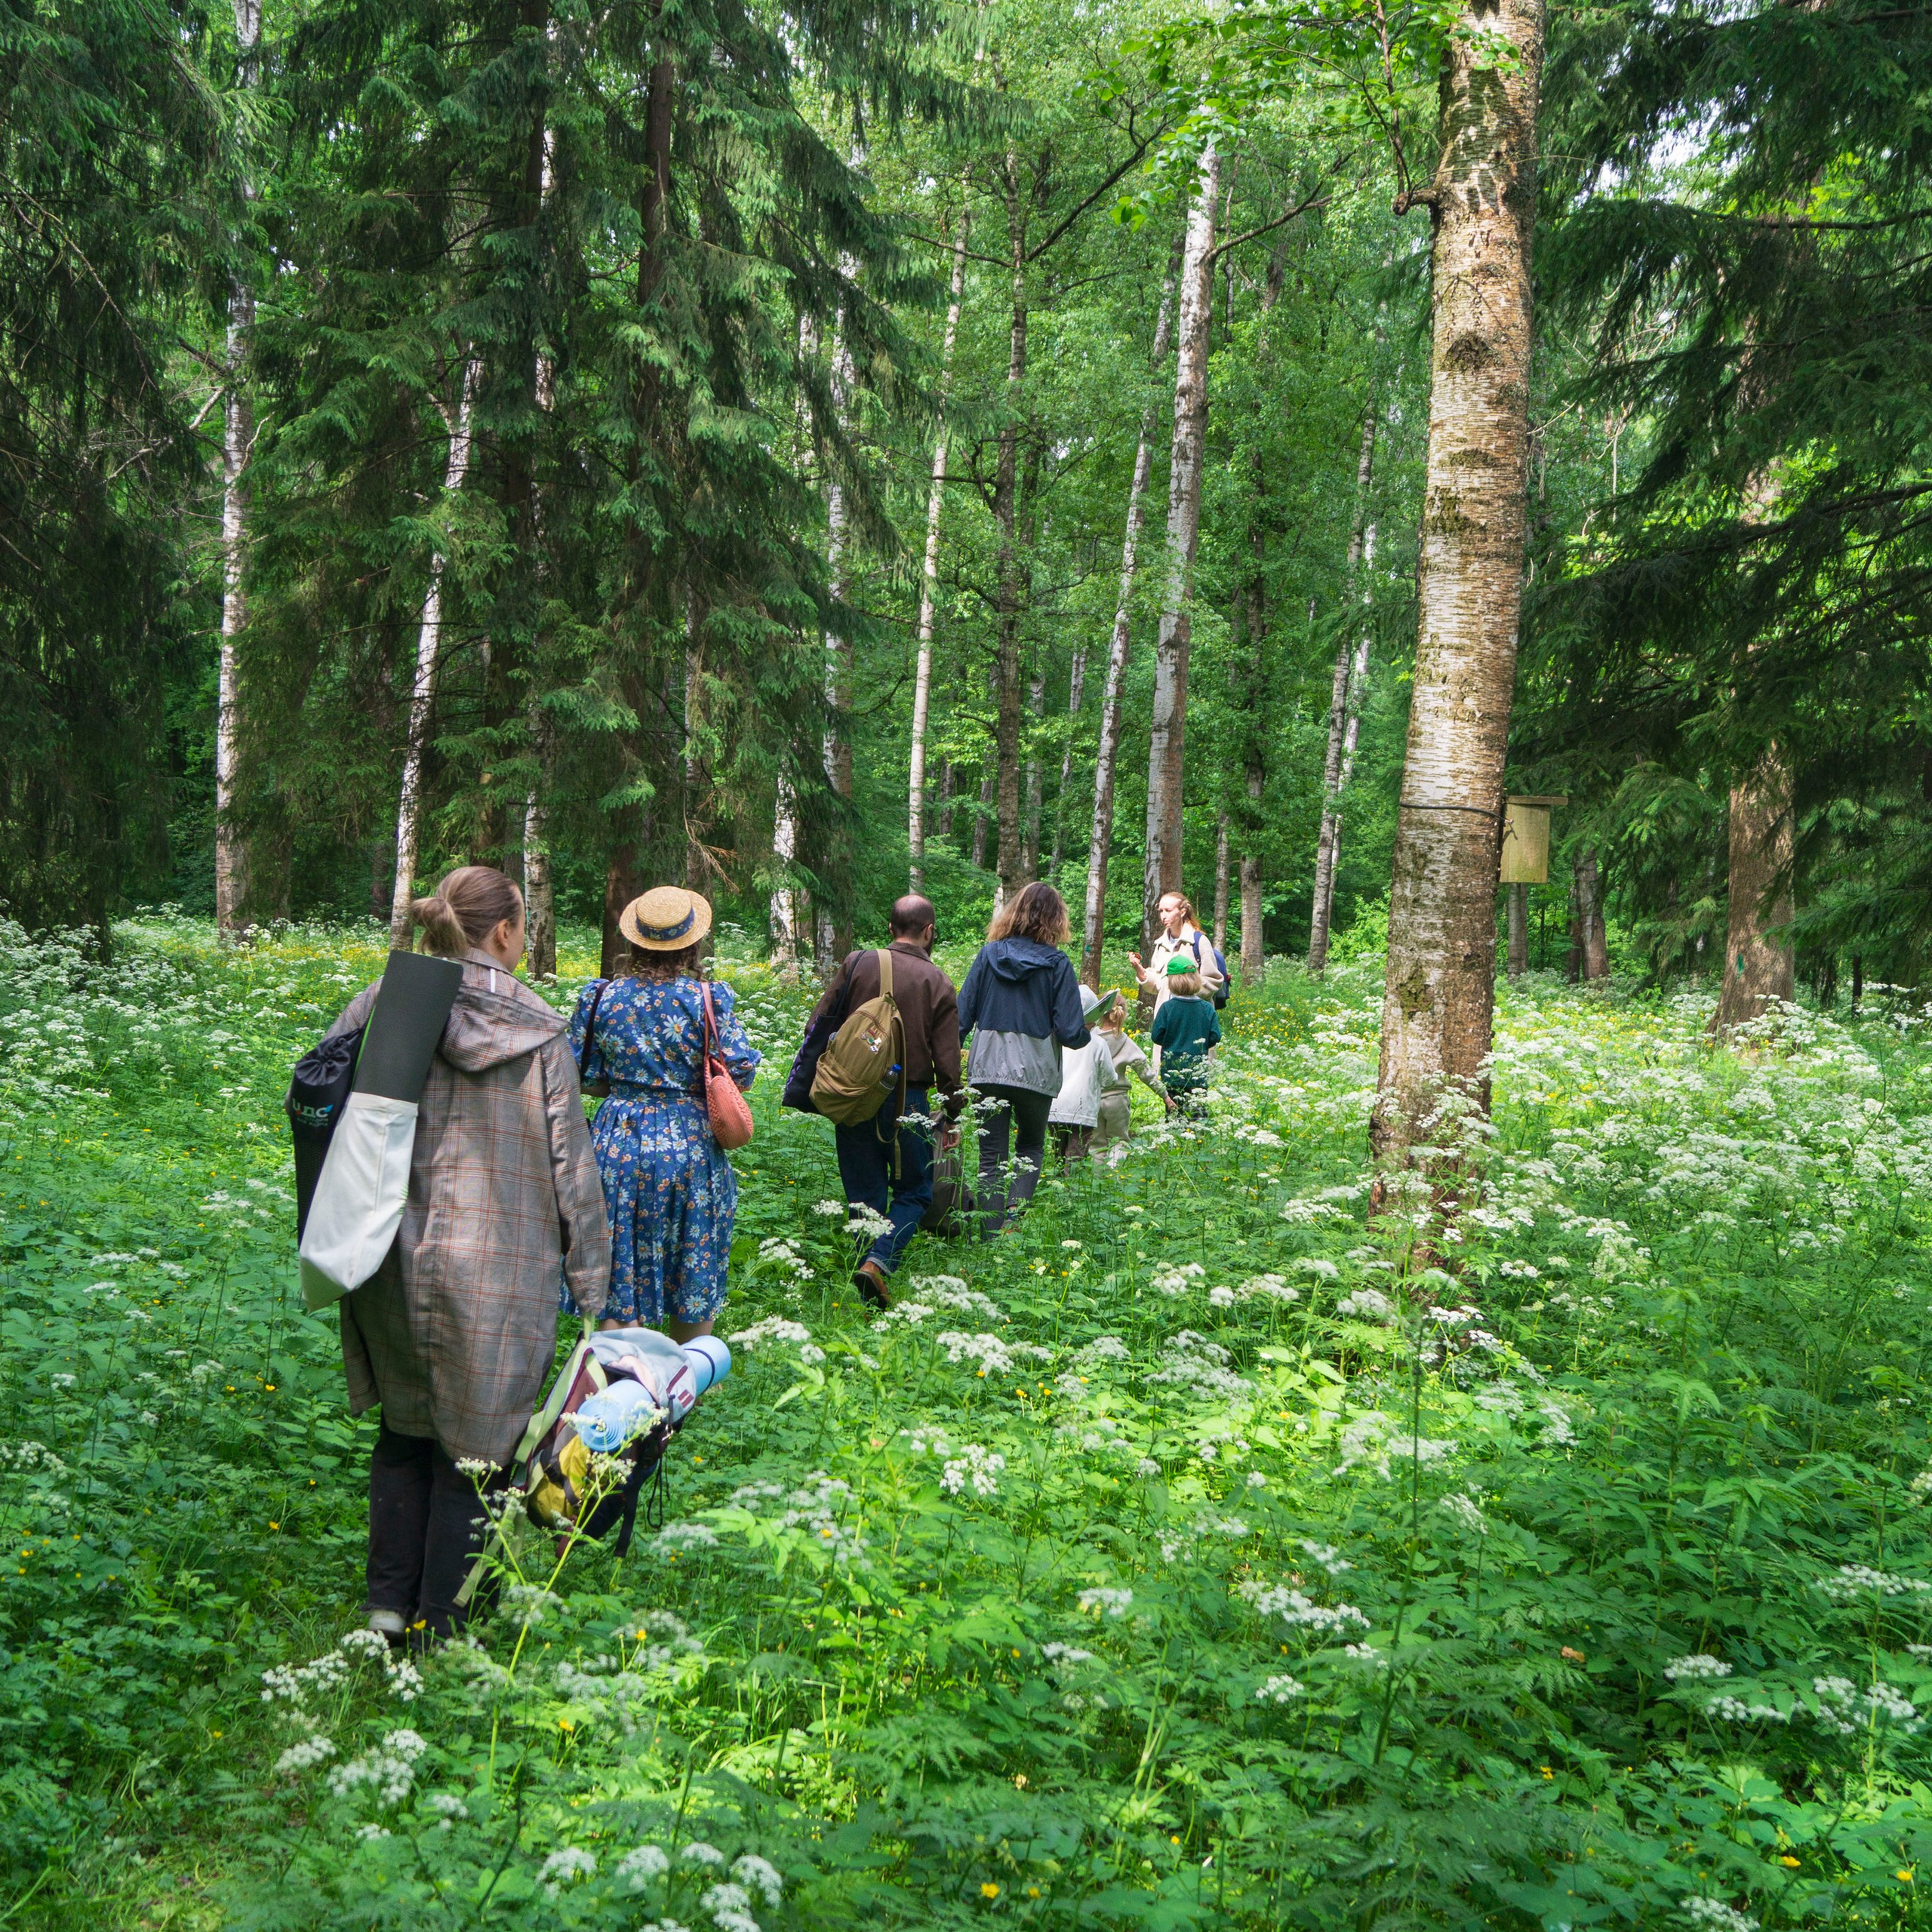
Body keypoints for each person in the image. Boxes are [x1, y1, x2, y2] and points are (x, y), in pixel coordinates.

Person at [323, 866, 611, 1643]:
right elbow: (570, 1169)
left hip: (388, 1255)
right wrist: (594, 1288)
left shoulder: (380, 1004)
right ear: (507, 932)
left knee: (406, 1428)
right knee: (478, 1451)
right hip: (499, 1269)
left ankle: (388, 1605)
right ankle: (445, 1626)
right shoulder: (540, 1031)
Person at [567, 886, 761, 1341]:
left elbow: (579, 1073)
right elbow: (742, 1075)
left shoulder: (601, 998)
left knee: (617, 1267)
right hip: (691, 1148)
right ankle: (678, 1395)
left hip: (617, 1143)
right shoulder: (708, 998)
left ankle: (625, 1390)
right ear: (692, 943)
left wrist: (629, 1083)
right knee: (694, 1262)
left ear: (634, 941)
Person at [783, 894, 964, 1308]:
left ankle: (863, 1277)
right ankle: (878, 1264)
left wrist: (818, 1079)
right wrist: (951, 1113)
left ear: (890, 928)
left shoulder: (858, 962)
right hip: (910, 1099)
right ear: (930, 931)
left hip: (854, 1094)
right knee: (916, 1191)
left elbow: (821, 1022)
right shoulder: (937, 981)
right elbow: (948, 1061)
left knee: (863, 1195)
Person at [956, 881, 1089, 1234]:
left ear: (1013, 913)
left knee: (990, 1156)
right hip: (1036, 1071)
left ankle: (987, 1234)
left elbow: (960, 1018)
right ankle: (1014, 1220)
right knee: (1030, 1145)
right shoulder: (1058, 964)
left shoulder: (988, 955)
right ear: (1056, 919)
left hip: (987, 1067)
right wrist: (1087, 1028)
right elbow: (1071, 1033)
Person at [1049, 986, 1125, 1163]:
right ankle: (1071, 1188)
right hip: (1083, 1110)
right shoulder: (1098, 1043)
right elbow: (1108, 1079)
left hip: (1055, 1107)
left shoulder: (1056, 1038)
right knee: (1075, 1156)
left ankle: (1057, 1186)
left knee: (1058, 1158)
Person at [1128, 891, 1224, 1022]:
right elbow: (1157, 985)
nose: (1163, 916)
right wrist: (1140, 970)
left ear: (1182, 912)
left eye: (1168, 910)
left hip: (1193, 1020)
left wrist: (1185, 992)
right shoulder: (1161, 944)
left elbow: (1214, 980)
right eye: (1161, 911)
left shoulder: (1199, 941)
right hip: (1167, 1020)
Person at [1092, 993, 1171, 1149]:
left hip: (1093, 1099)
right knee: (1120, 1141)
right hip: (1117, 1101)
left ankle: (1098, 1173)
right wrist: (1164, 1095)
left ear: (1100, 1012)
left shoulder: (1090, 1038)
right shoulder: (1126, 1042)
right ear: (1124, 1013)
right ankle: (1115, 1172)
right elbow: (1145, 1073)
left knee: (1096, 1144)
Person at [1149, 956, 1221, 1112]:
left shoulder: (1167, 1008)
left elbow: (1156, 1036)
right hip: (1198, 1071)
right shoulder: (1207, 1008)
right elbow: (1215, 1037)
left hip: (1172, 1071)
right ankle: (1200, 1135)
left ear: (1172, 981)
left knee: (1174, 1111)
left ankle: (1175, 1136)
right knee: (1199, 1113)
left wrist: (1171, 1041)